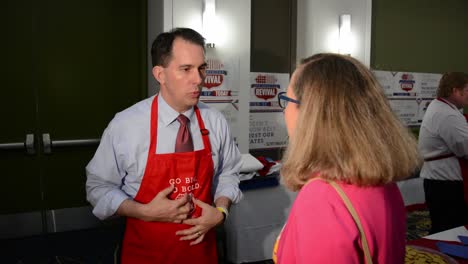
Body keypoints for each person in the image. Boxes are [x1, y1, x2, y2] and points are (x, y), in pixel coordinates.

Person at [85, 27, 242, 264]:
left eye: (201, 68)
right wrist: (143, 211)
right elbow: (98, 188)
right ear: (160, 74)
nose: (199, 80)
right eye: (186, 69)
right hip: (146, 254)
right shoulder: (126, 125)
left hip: (201, 255)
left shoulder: (215, 122)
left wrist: (220, 212)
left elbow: (228, 174)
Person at [273, 53, 420, 263]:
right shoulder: (384, 183)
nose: (284, 111)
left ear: (311, 113)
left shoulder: (322, 198)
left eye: (287, 100)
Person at [418, 72, 468, 234]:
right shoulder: (447, 114)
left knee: (443, 225)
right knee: (450, 228)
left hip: (439, 179)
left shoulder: (440, 106)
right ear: (455, 90)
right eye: (467, 90)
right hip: (445, 182)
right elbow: (465, 148)